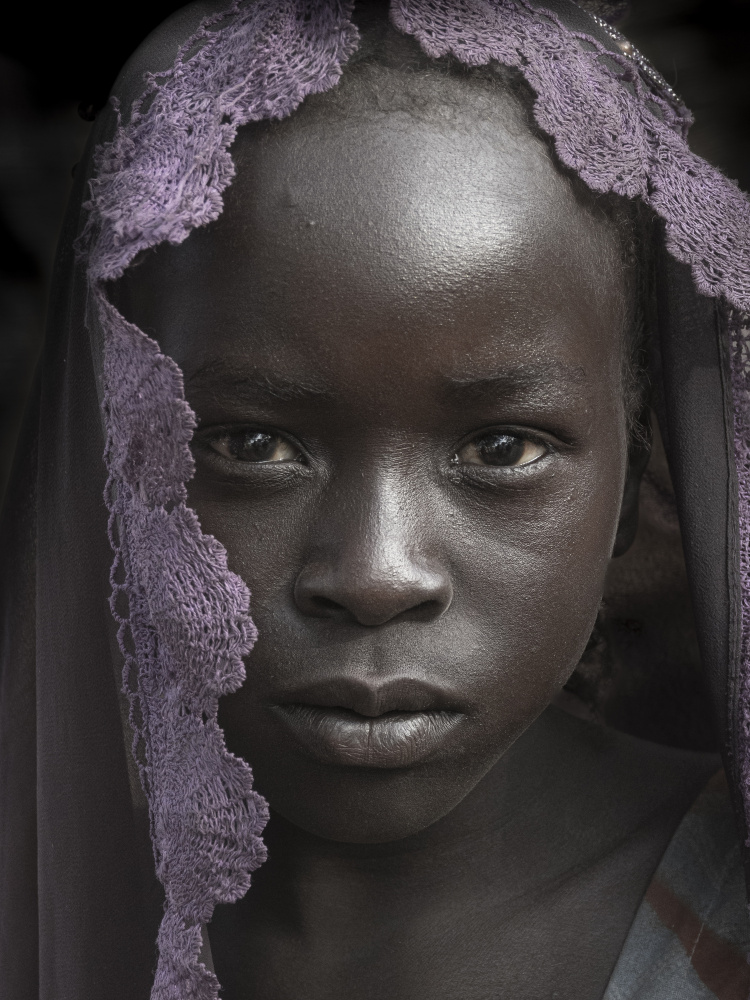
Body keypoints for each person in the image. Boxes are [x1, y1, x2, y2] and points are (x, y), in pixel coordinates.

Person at [1, 2, 749, 998]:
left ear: (633, 472)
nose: (375, 575)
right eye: (255, 444)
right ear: (118, 455)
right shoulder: (44, 900)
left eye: (501, 446)